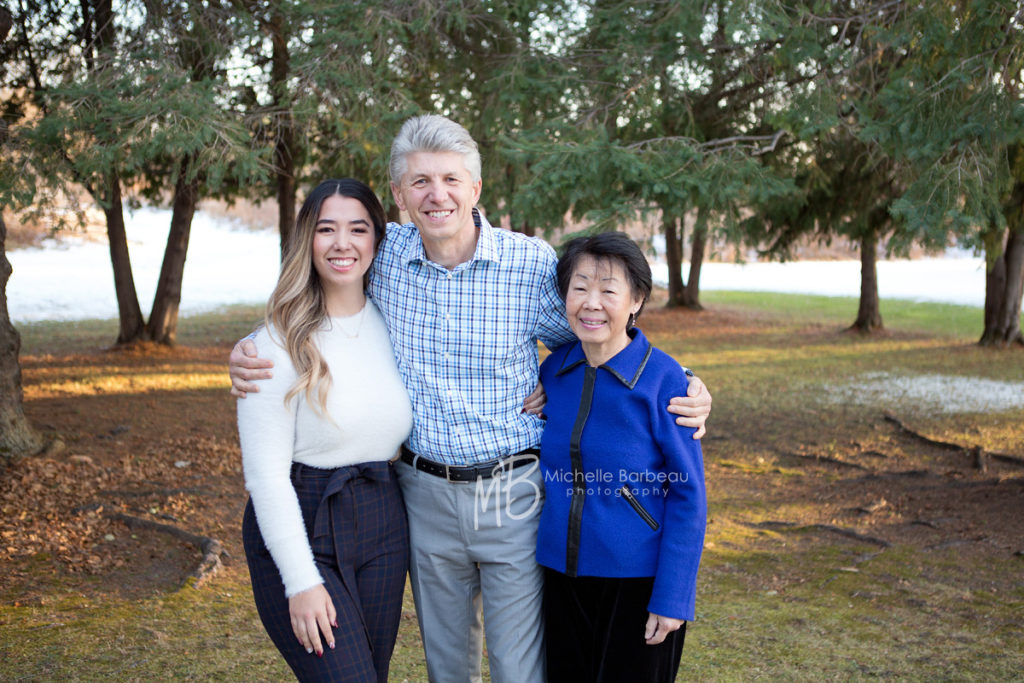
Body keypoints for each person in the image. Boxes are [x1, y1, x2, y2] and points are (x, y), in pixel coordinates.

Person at [230, 114, 713, 682]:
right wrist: (252, 347)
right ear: (400, 196)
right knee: (448, 668)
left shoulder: (529, 264)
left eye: (451, 180)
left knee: (519, 671)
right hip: (421, 496)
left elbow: (600, 333)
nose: (437, 195)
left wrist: (681, 381)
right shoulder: (381, 259)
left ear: (476, 189)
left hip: (514, 494)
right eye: (420, 182)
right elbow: (322, 294)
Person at [238, 179, 413, 682]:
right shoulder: (272, 346)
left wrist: (546, 389)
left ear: (376, 240)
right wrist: (301, 583)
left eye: (358, 229)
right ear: (305, 240)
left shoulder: (394, 321)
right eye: (326, 229)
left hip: (384, 521)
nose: (343, 244)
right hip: (302, 521)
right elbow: (266, 479)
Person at [537, 232, 707, 683]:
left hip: (637, 583)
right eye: (580, 287)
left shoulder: (667, 382)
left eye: (608, 290)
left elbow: (688, 497)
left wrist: (673, 598)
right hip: (559, 575)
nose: (592, 302)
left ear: (636, 301)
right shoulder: (554, 370)